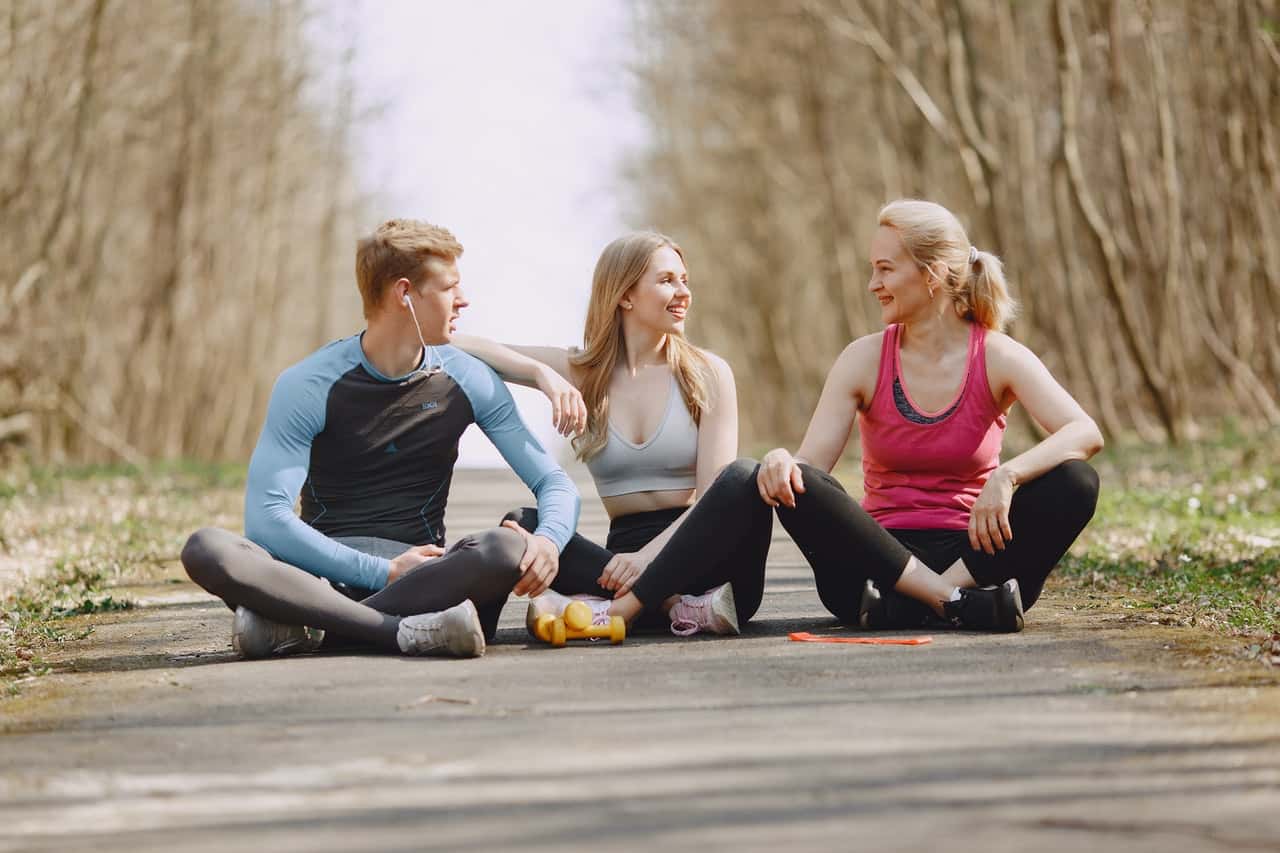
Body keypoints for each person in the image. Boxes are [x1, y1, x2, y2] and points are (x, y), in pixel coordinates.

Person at [179, 219, 580, 659]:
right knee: (206, 548)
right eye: (450, 288)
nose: (464, 300)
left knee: (507, 546)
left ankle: (306, 626)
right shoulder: (309, 383)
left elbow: (553, 483)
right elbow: (267, 520)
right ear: (405, 294)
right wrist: (383, 571)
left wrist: (547, 542)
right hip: (316, 578)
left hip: (424, 582)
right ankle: (400, 632)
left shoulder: (469, 378)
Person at [756, 199, 1102, 632]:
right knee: (799, 482)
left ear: (932, 274)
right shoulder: (862, 359)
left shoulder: (997, 356)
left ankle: (922, 601)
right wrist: (781, 461)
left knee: (1076, 480)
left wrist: (1007, 476)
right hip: (877, 563)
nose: (873, 284)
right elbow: (812, 467)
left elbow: (1084, 431)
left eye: (885, 269)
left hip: (977, 558)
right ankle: (954, 603)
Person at [455, 231, 771, 637]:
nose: (683, 292)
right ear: (625, 295)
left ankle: (619, 610)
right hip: (617, 567)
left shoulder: (707, 372)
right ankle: (673, 608)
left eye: (684, 280)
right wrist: (542, 374)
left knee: (741, 476)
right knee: (521, 524)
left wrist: (647, 560)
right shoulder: (584, 372)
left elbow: (715, 497)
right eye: (667, 280)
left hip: (707, 567)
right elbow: (465, 346)